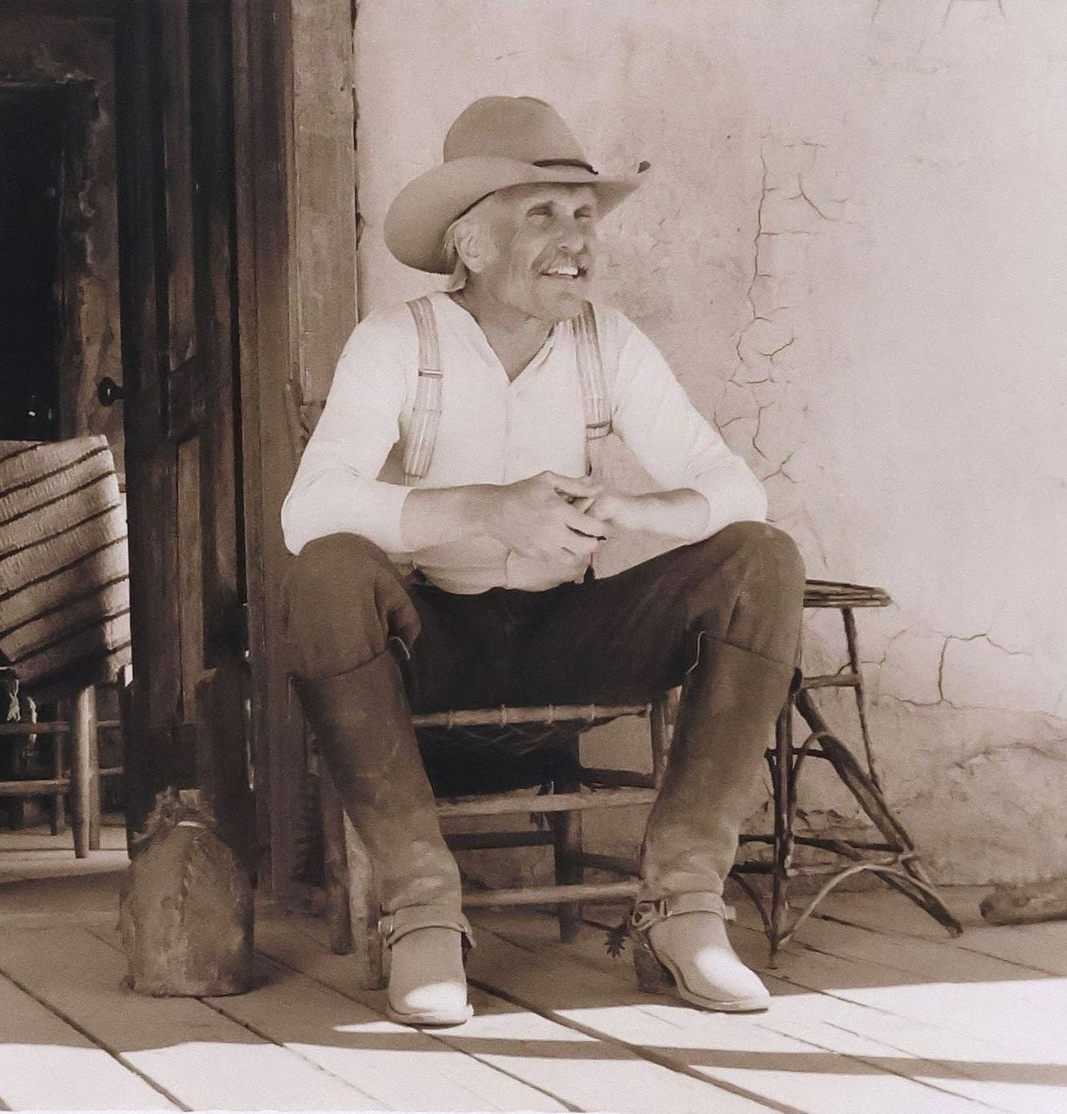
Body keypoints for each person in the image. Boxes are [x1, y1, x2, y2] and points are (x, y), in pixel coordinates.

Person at [282, 96, 805, 1027]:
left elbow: (738, 492)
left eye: (584, 215)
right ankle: (422, 914)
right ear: (471, 244)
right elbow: (307, 509)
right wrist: (485, 510)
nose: (579, 240)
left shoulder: (612, 344)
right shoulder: (398, 341)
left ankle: (681, 908)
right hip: (437, 638)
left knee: (761, 560)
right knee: (326, 569)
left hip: (574, 630)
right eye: (544, 213)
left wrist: (635, 509)